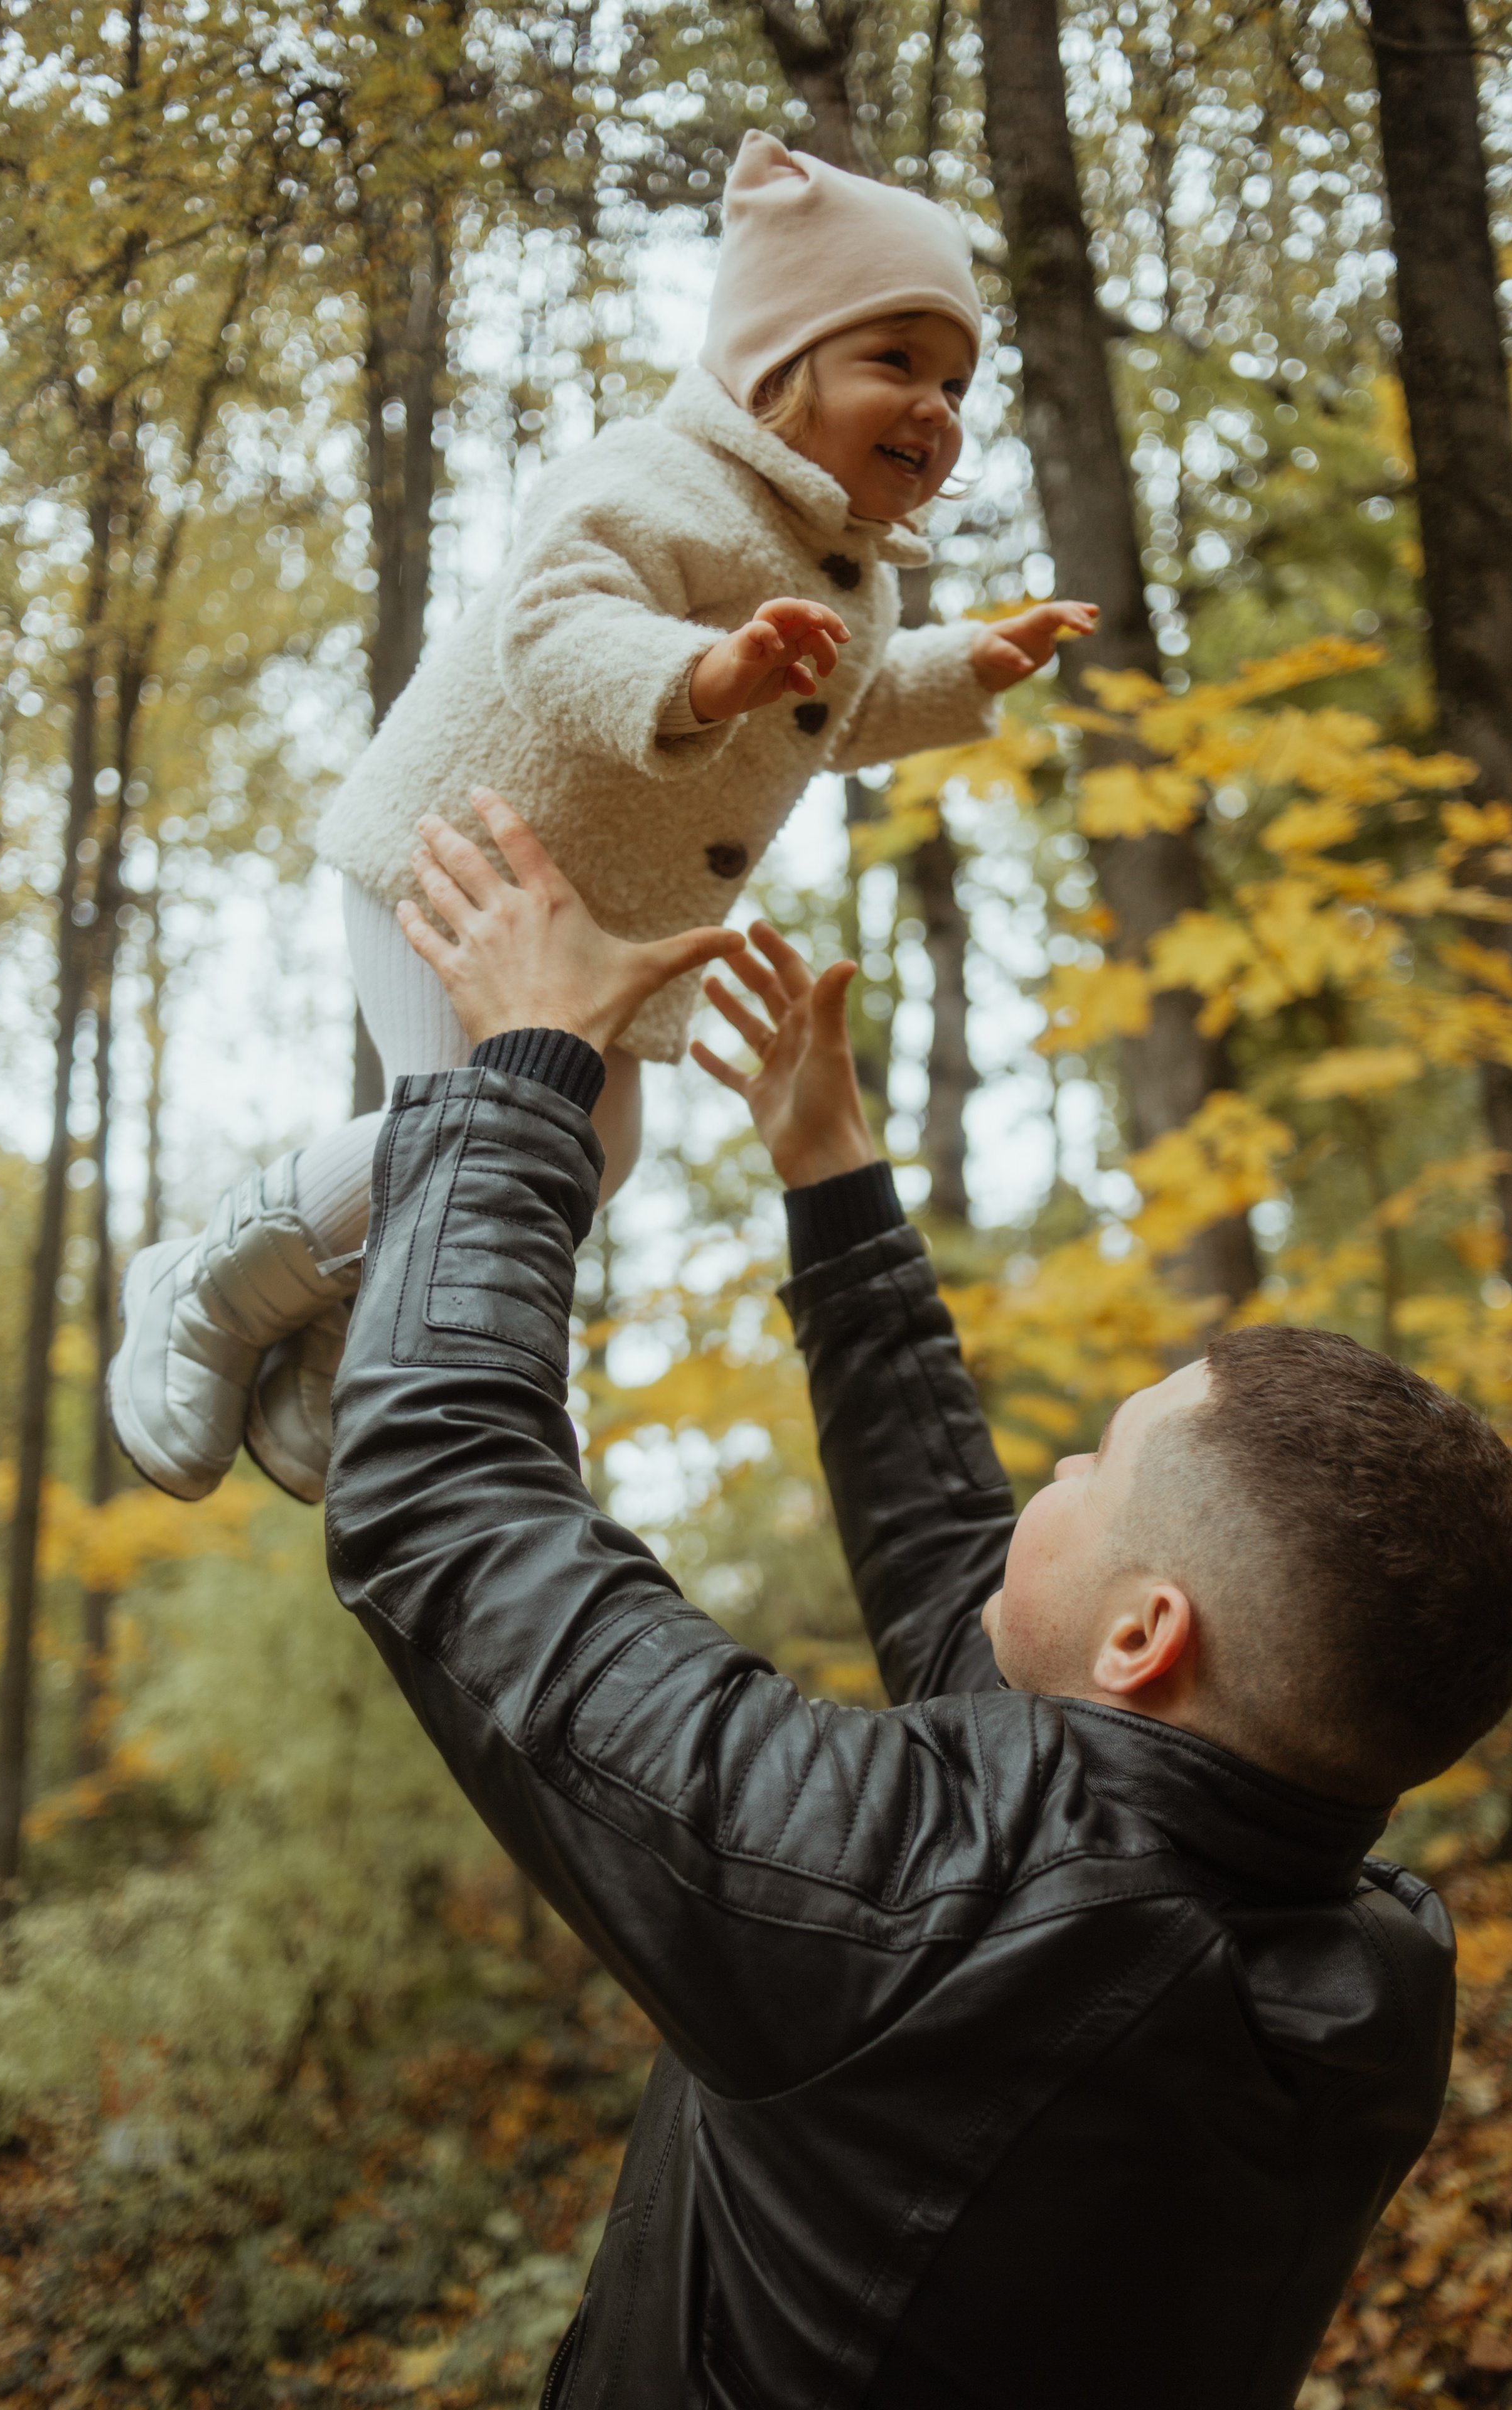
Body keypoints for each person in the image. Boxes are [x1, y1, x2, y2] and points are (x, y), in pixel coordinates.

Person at [324, 791, 1512, 2410]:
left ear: (1147, 1637)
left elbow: (439, 1496)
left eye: (1094, 1466)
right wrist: (832, 1181)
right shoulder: (1365, 1963)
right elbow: (993, 1630)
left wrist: (525, 1074)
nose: (1052, 1484)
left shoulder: (912, 1918)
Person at [106, 126, 1096, 1511]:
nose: (935, 407)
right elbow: (552, 627)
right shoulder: (655, 475)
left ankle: (335, 1336)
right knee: (469, 1118)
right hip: (457, 860)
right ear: (774, 363)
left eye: (954, 381)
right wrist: (704, 672)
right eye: (894, 363)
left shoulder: (856, 584)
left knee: (586, 1158)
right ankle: (206, 1286)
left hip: (601, 934)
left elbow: (835, 712)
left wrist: (964, 665)